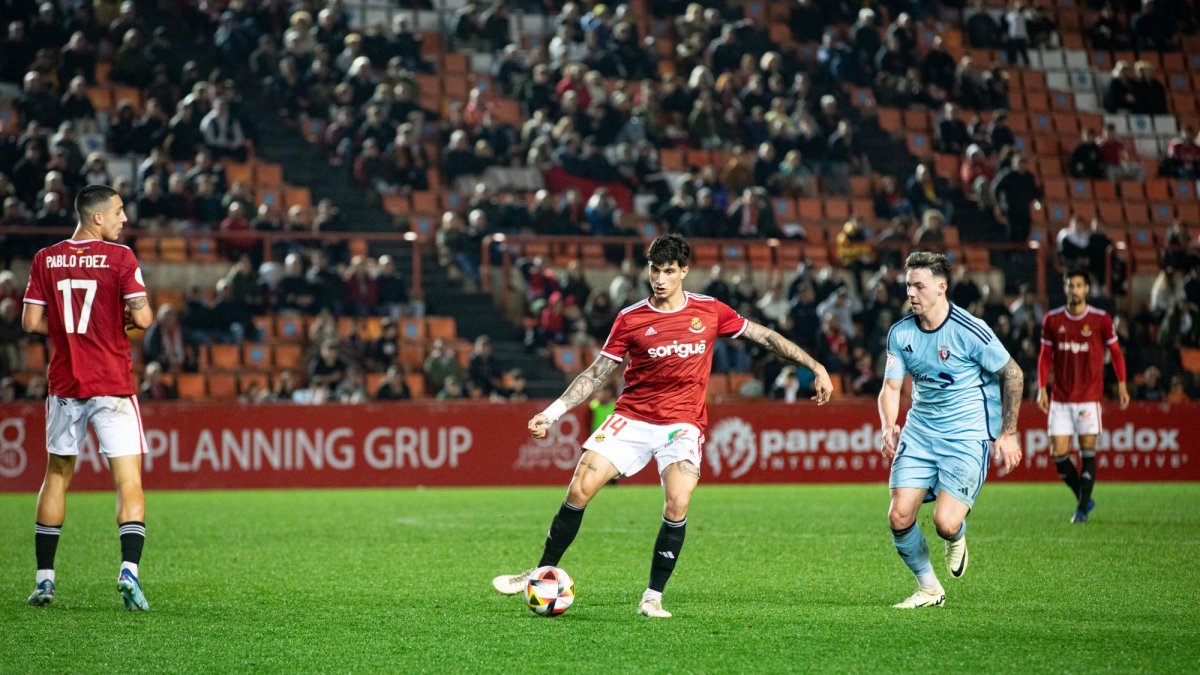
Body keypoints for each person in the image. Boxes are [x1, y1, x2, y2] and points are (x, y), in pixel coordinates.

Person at [491, 234, 834, 618]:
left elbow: (765, 337)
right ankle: (539, 571)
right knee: (579, 488)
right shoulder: (631, 318)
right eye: (655, 269)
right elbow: (596, 374)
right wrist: (551, 413)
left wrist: (816, 366)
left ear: (684, 271)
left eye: (669, 271)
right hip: (632, 418)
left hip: (682, 424)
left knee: (678, 501)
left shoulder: (710, 311)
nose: (660, 278)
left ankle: (652, 596)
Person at [21, 184, 154, 611]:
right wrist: (114, 327)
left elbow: (30, 322)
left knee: (56, 475)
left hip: (65, 383)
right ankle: (128, 571)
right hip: (112, 382)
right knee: (128, 479)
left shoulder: (45, 259)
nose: (123, 219)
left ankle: (45, 580)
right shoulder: (121, 258)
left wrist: (69, 333)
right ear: (97, 217)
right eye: (118, 211)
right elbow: (145, 317)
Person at [878, 251, 1023, 609]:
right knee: (898, 515)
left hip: (965, 437)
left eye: (919, 285)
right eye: (908, 285)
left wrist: (1009, 432)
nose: (911, 292)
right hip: (920, 433)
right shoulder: (901, 334)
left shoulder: (970, 330)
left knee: (944, 522)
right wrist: (887, 426)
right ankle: (929, 589)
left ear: (941, 287)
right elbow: (892, 387)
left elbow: (1013, 373)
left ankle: (955, 534)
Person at [1037, 270, 1129, 524]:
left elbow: (1117, 353)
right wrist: (1042, 387)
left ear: (1086, 289)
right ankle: (1083, 496)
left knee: (1087, 451)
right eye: (1070, 285)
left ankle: (1081, 511)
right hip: (1061, 399)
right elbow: (1045, 356)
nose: (1074, 290)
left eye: (1079, 285)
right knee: (1059, 455)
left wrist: (1122, 384)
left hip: (1089, 398)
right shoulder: (1052, 320)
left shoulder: (1101, 319)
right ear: (1065, 288)